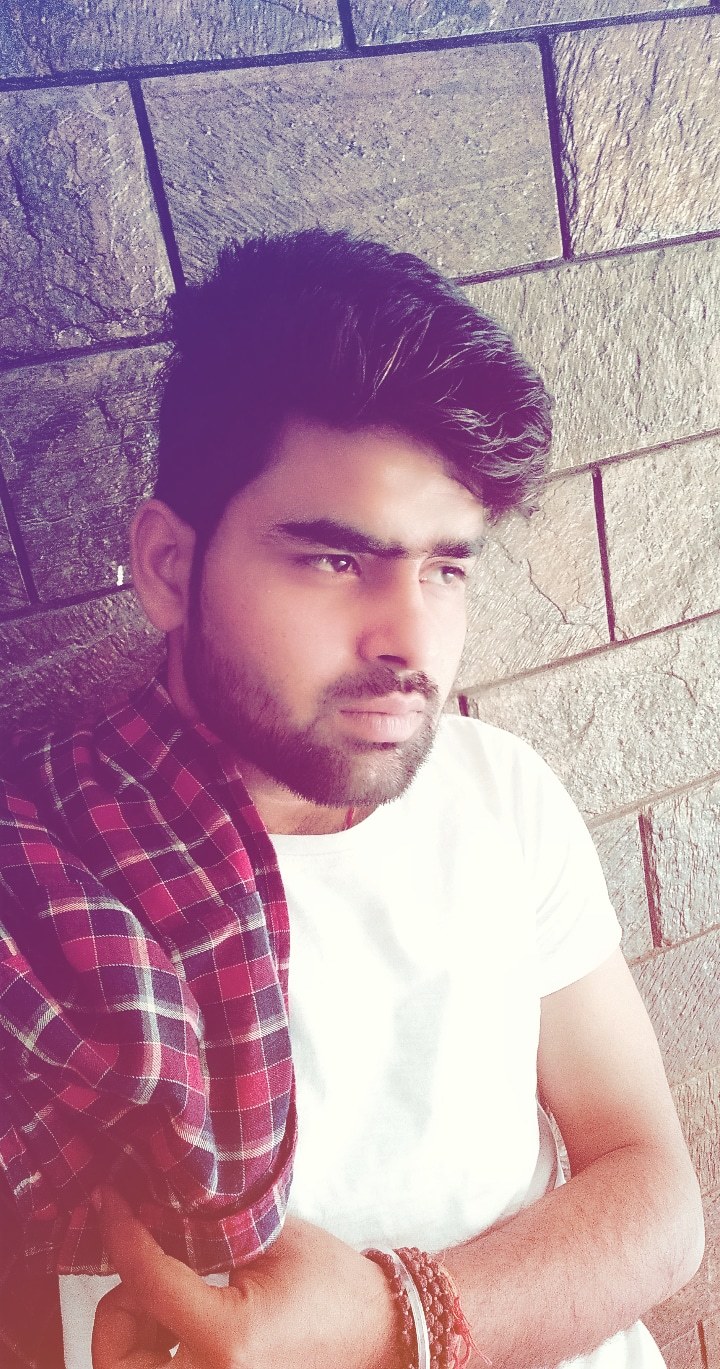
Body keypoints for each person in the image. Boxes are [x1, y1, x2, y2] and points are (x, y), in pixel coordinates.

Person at [0, 230, 703, 1369]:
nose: (411, 642)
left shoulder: (499, 788)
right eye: (334, 560)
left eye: (446, 567)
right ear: (170, 566)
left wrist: (397, 1323)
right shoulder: (44, 887)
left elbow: (655, 1195)